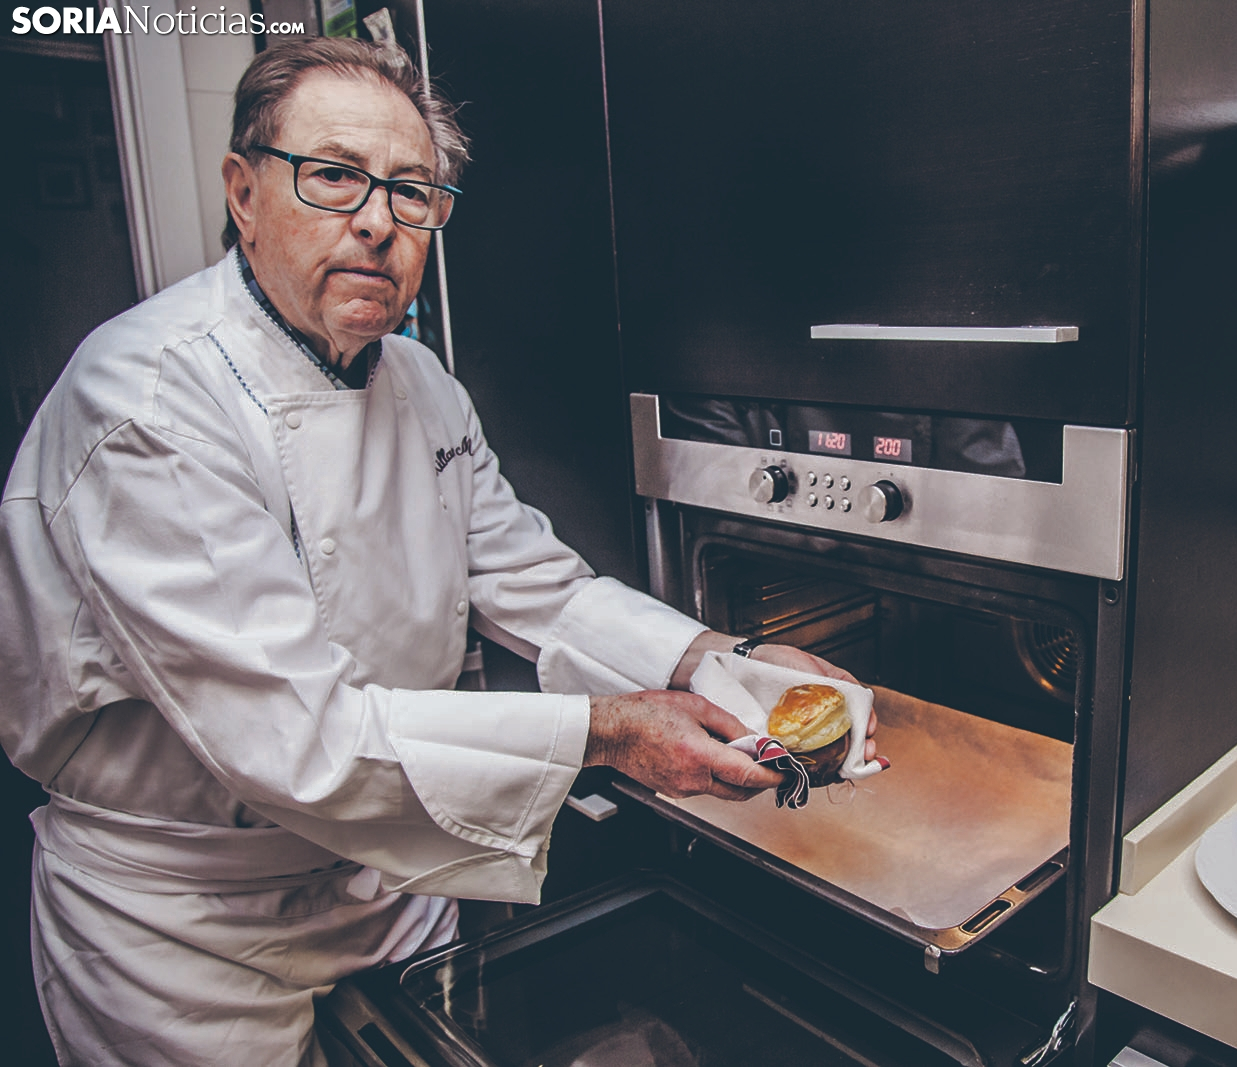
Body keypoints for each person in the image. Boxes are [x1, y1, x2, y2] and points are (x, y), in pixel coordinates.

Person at [0, 38, 869, 1066]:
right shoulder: (148, 403)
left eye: (411, 191)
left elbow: (533, 582)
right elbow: (301, 743)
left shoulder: (419, 381)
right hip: (189, 927)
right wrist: (611, 731)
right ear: (243, 192)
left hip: (392, 876)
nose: (378, 221)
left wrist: (719, 658)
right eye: (333, 176)